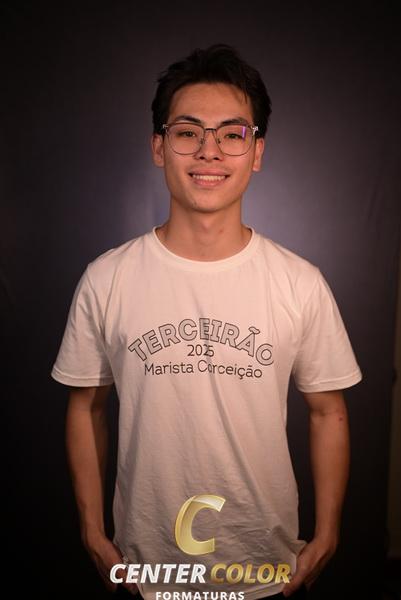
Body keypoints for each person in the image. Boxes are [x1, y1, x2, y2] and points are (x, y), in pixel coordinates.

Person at [51, 44, 362, 600]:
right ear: (158, 146)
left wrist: (329, 532)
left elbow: (328, 411)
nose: (209, 151)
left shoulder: (300, 283)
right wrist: (93, 532)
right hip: (148, 573)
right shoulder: (107, 278)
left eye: (232, 134)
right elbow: (86, 406)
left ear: (257, 152)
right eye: (188, 132)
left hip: (264, 573)